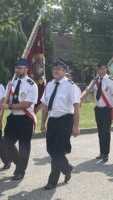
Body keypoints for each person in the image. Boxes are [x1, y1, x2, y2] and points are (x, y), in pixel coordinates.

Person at [40, 58, 80, 190]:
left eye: (58, 69)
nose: (55, 71)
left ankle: (52, 181)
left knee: (57, 152)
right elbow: (45, 105)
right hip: (52, 120)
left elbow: (76, 107)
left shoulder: (71, 86)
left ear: (64, 71)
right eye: (53, 69)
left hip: (65, 121)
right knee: (50, 150)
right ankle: (67, 168)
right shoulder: (50, 84)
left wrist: (76, 126)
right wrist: (43, 123)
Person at [0, 58, 38, 180]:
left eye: (20, 68)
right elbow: (4, 98)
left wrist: (9, 106)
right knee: (7, 143)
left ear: (26, 69)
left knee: (24, 146)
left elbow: (27, 104)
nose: (17, 70)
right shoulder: (11, 82)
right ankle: (20, 164)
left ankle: (20, 171)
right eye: (16, 68)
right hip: (13, 118)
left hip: (26, 119)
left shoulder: (32, 85)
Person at [80, 61, 113, 162]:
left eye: (102, 69)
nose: (100, 71)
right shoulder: (95, 80)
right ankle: (102, 152)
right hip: (98, 110)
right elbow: (88, 90)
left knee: (106, 132)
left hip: (107, 110)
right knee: (100, 132)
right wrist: (79, 100)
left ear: (106, 69)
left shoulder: (111, 81)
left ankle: (106, 153)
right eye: (98, 69)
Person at [65, 71, 82, 154]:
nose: (67, 77)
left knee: (67, 131)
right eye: (66, 76)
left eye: (68, 76)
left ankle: (67, 147)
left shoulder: (75, 87)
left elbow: (78, 100)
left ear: (71, 77)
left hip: (72, 112)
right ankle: (66, 147)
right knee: (65, 131)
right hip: (66, 112)